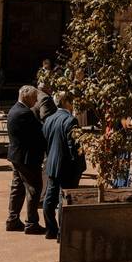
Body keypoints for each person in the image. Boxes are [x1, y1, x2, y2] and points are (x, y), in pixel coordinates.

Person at [42, 91, 85, 241]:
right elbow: (74, 146)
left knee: (50, 196)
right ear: (67, 102)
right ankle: (63, 232)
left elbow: (46, 142)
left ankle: (50, 230)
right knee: (65, 200)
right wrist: (78, 166)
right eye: (72, 102)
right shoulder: (70, 120)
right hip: (67, 165)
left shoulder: (49, 119)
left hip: (53, 163)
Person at [6, 85, 46, 235]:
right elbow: (39, 133)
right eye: (34, 97)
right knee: (34, 189)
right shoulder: (24, 113)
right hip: (27, 157)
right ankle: (31, 223)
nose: (36, 101)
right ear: (25, 95)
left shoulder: (14, 109)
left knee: (18, 188)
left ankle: (12, 219)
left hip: (17, 156)